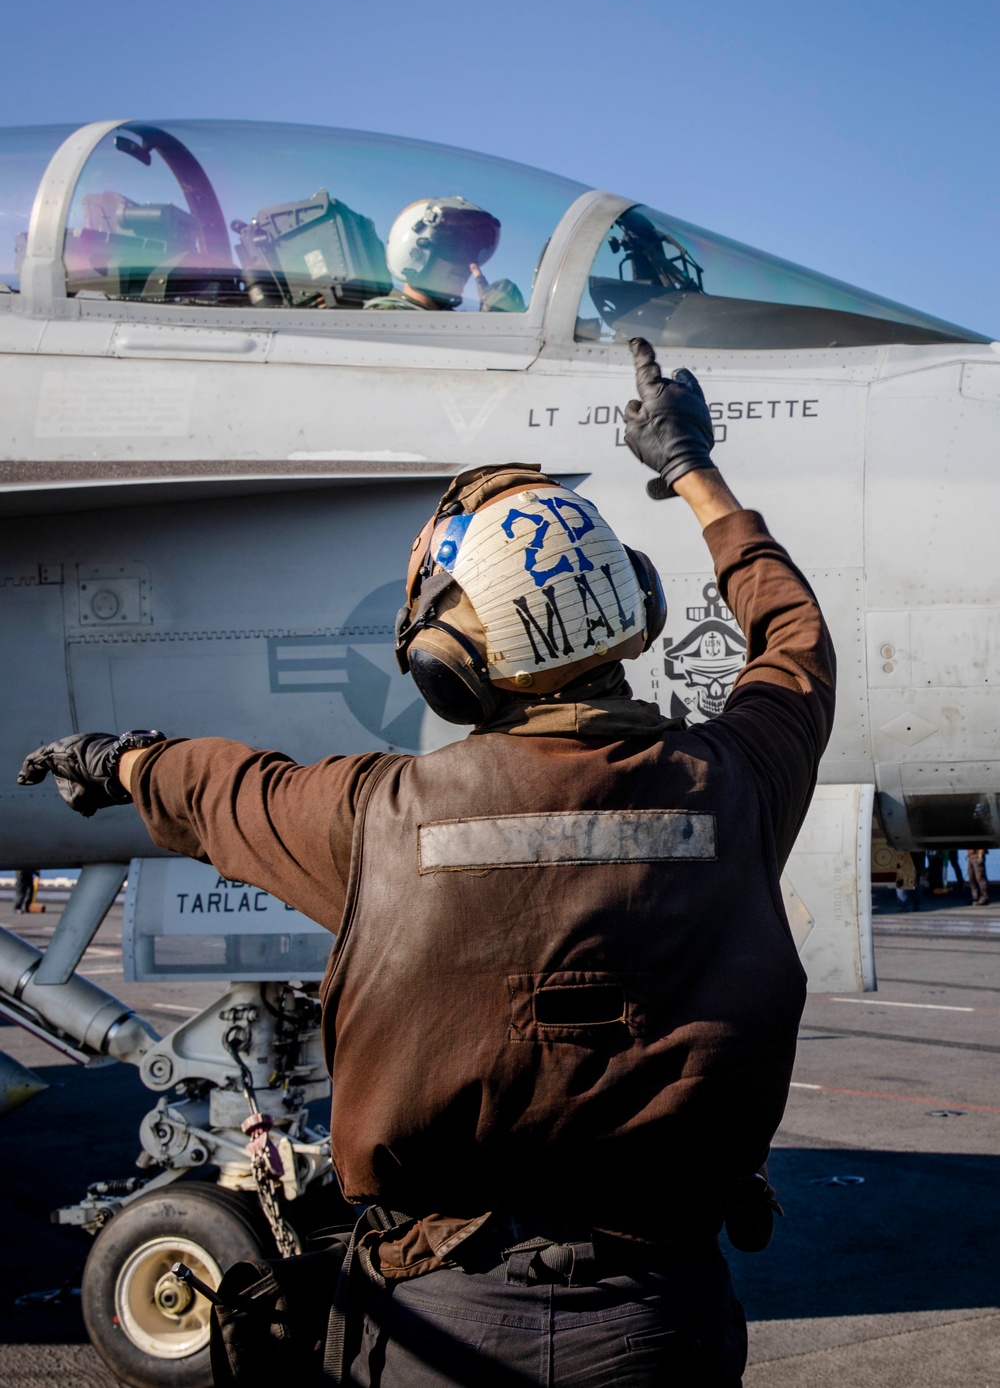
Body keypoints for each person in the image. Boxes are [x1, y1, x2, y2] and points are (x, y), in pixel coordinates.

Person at [17, 339, 835, 1387]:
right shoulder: (737, 780)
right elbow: (793, 639)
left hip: (436, 1330)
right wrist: (690, 468)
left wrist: (117, 760)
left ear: (448, 670)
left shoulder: (376, 817)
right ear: (631, 607)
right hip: (657, 1324)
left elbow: (219, 788)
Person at [365, 195, 525, 313]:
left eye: (472, 253)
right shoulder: (383, 322)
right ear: (415, 251)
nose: (468, 264)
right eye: (455, 248)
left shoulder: (448, 324)